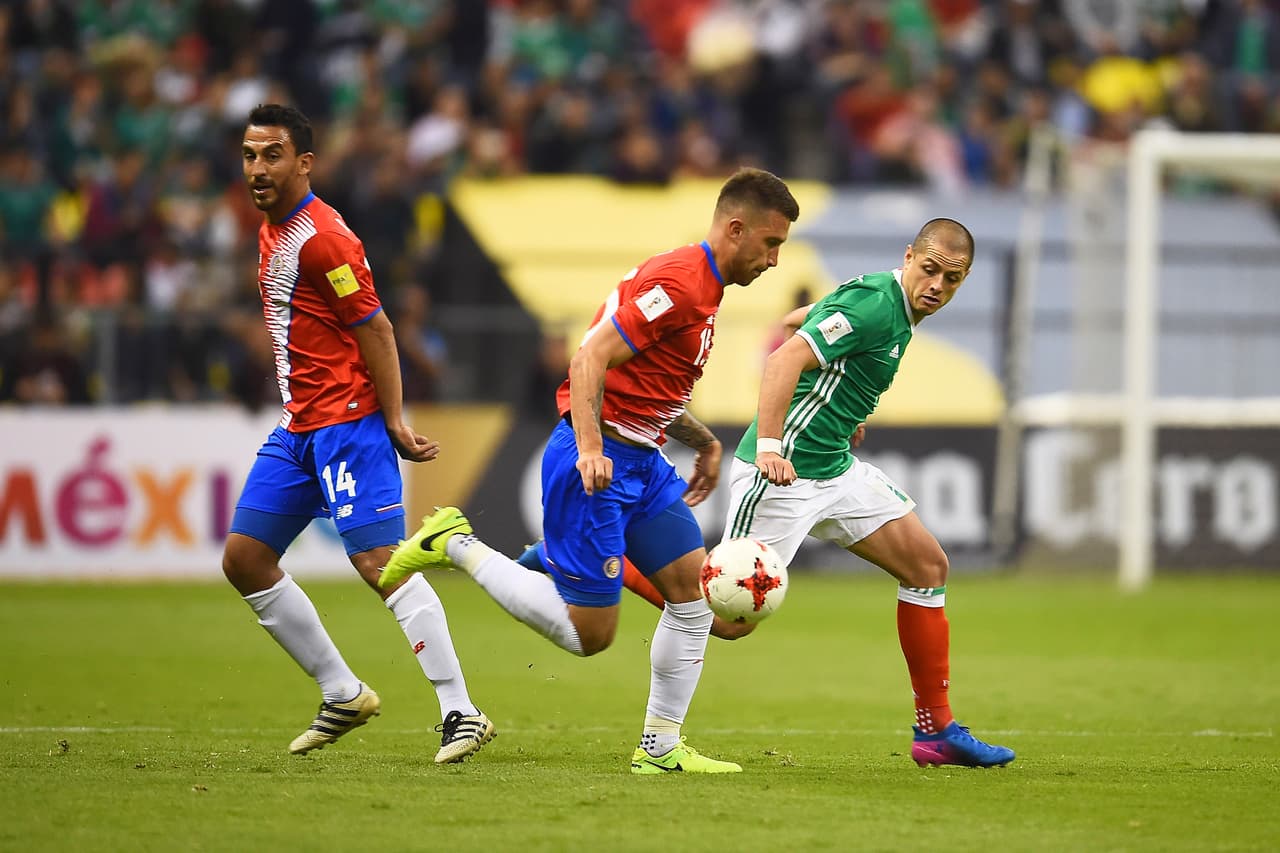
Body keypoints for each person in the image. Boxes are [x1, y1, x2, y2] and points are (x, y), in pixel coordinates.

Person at [379, 167, 800, 773]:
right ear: (736, 229)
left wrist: (703, 440)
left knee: (698, 600)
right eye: (771, 243)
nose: (774, 260)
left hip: (644, 462)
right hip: (600, 465)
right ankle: (455, 544)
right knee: (590, 636)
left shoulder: (702, 286)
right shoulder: (681, 283)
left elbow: (650, 385)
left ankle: (660, 749)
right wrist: (590, 447)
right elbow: (590, 357)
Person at [222, 104, 495, 764]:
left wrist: (393, 418)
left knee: (381, 562)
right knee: (245, 559)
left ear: (305, 163)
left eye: (272, 155)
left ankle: (461, 709)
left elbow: (375, 326)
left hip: (346, 422)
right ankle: (342, 692)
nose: (258, 168)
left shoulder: (323, 238)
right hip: (300, 426)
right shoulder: (272, 228)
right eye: (250, 155)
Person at [723, 218, 1015, 768]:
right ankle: (625, 562)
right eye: (929, 270)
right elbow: (784, 356)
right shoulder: (879, 305)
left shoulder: (892, 304)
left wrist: (841, 408)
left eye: (952, 279)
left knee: (927, 567)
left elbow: (797, 320)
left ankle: (936, 733)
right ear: (909, 257)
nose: (937, 286)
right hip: (784, 475)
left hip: (834, 470)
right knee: (728, 621)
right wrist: (769, 447)